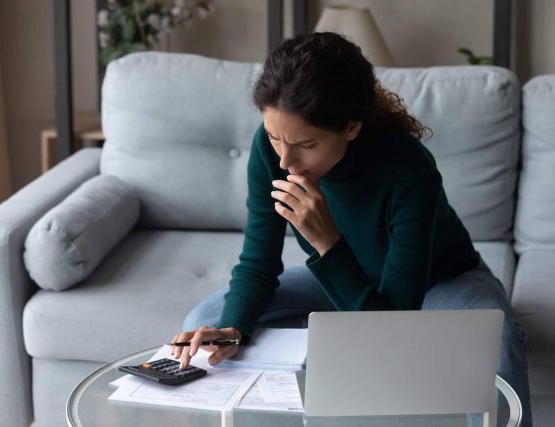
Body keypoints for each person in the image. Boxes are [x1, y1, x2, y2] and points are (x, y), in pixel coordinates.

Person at [170, 32, 532, 426]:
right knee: (205, 320)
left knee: (497, 346)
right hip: (344, 274)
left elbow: (393, 324)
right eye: (275, 137)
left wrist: (325, 240)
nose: (287, 161)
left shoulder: (409, 169)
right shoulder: (271, 151)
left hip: (436, 280)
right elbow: (258, 263)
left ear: (351, 128)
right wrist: (233, 329)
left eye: (306, 144)